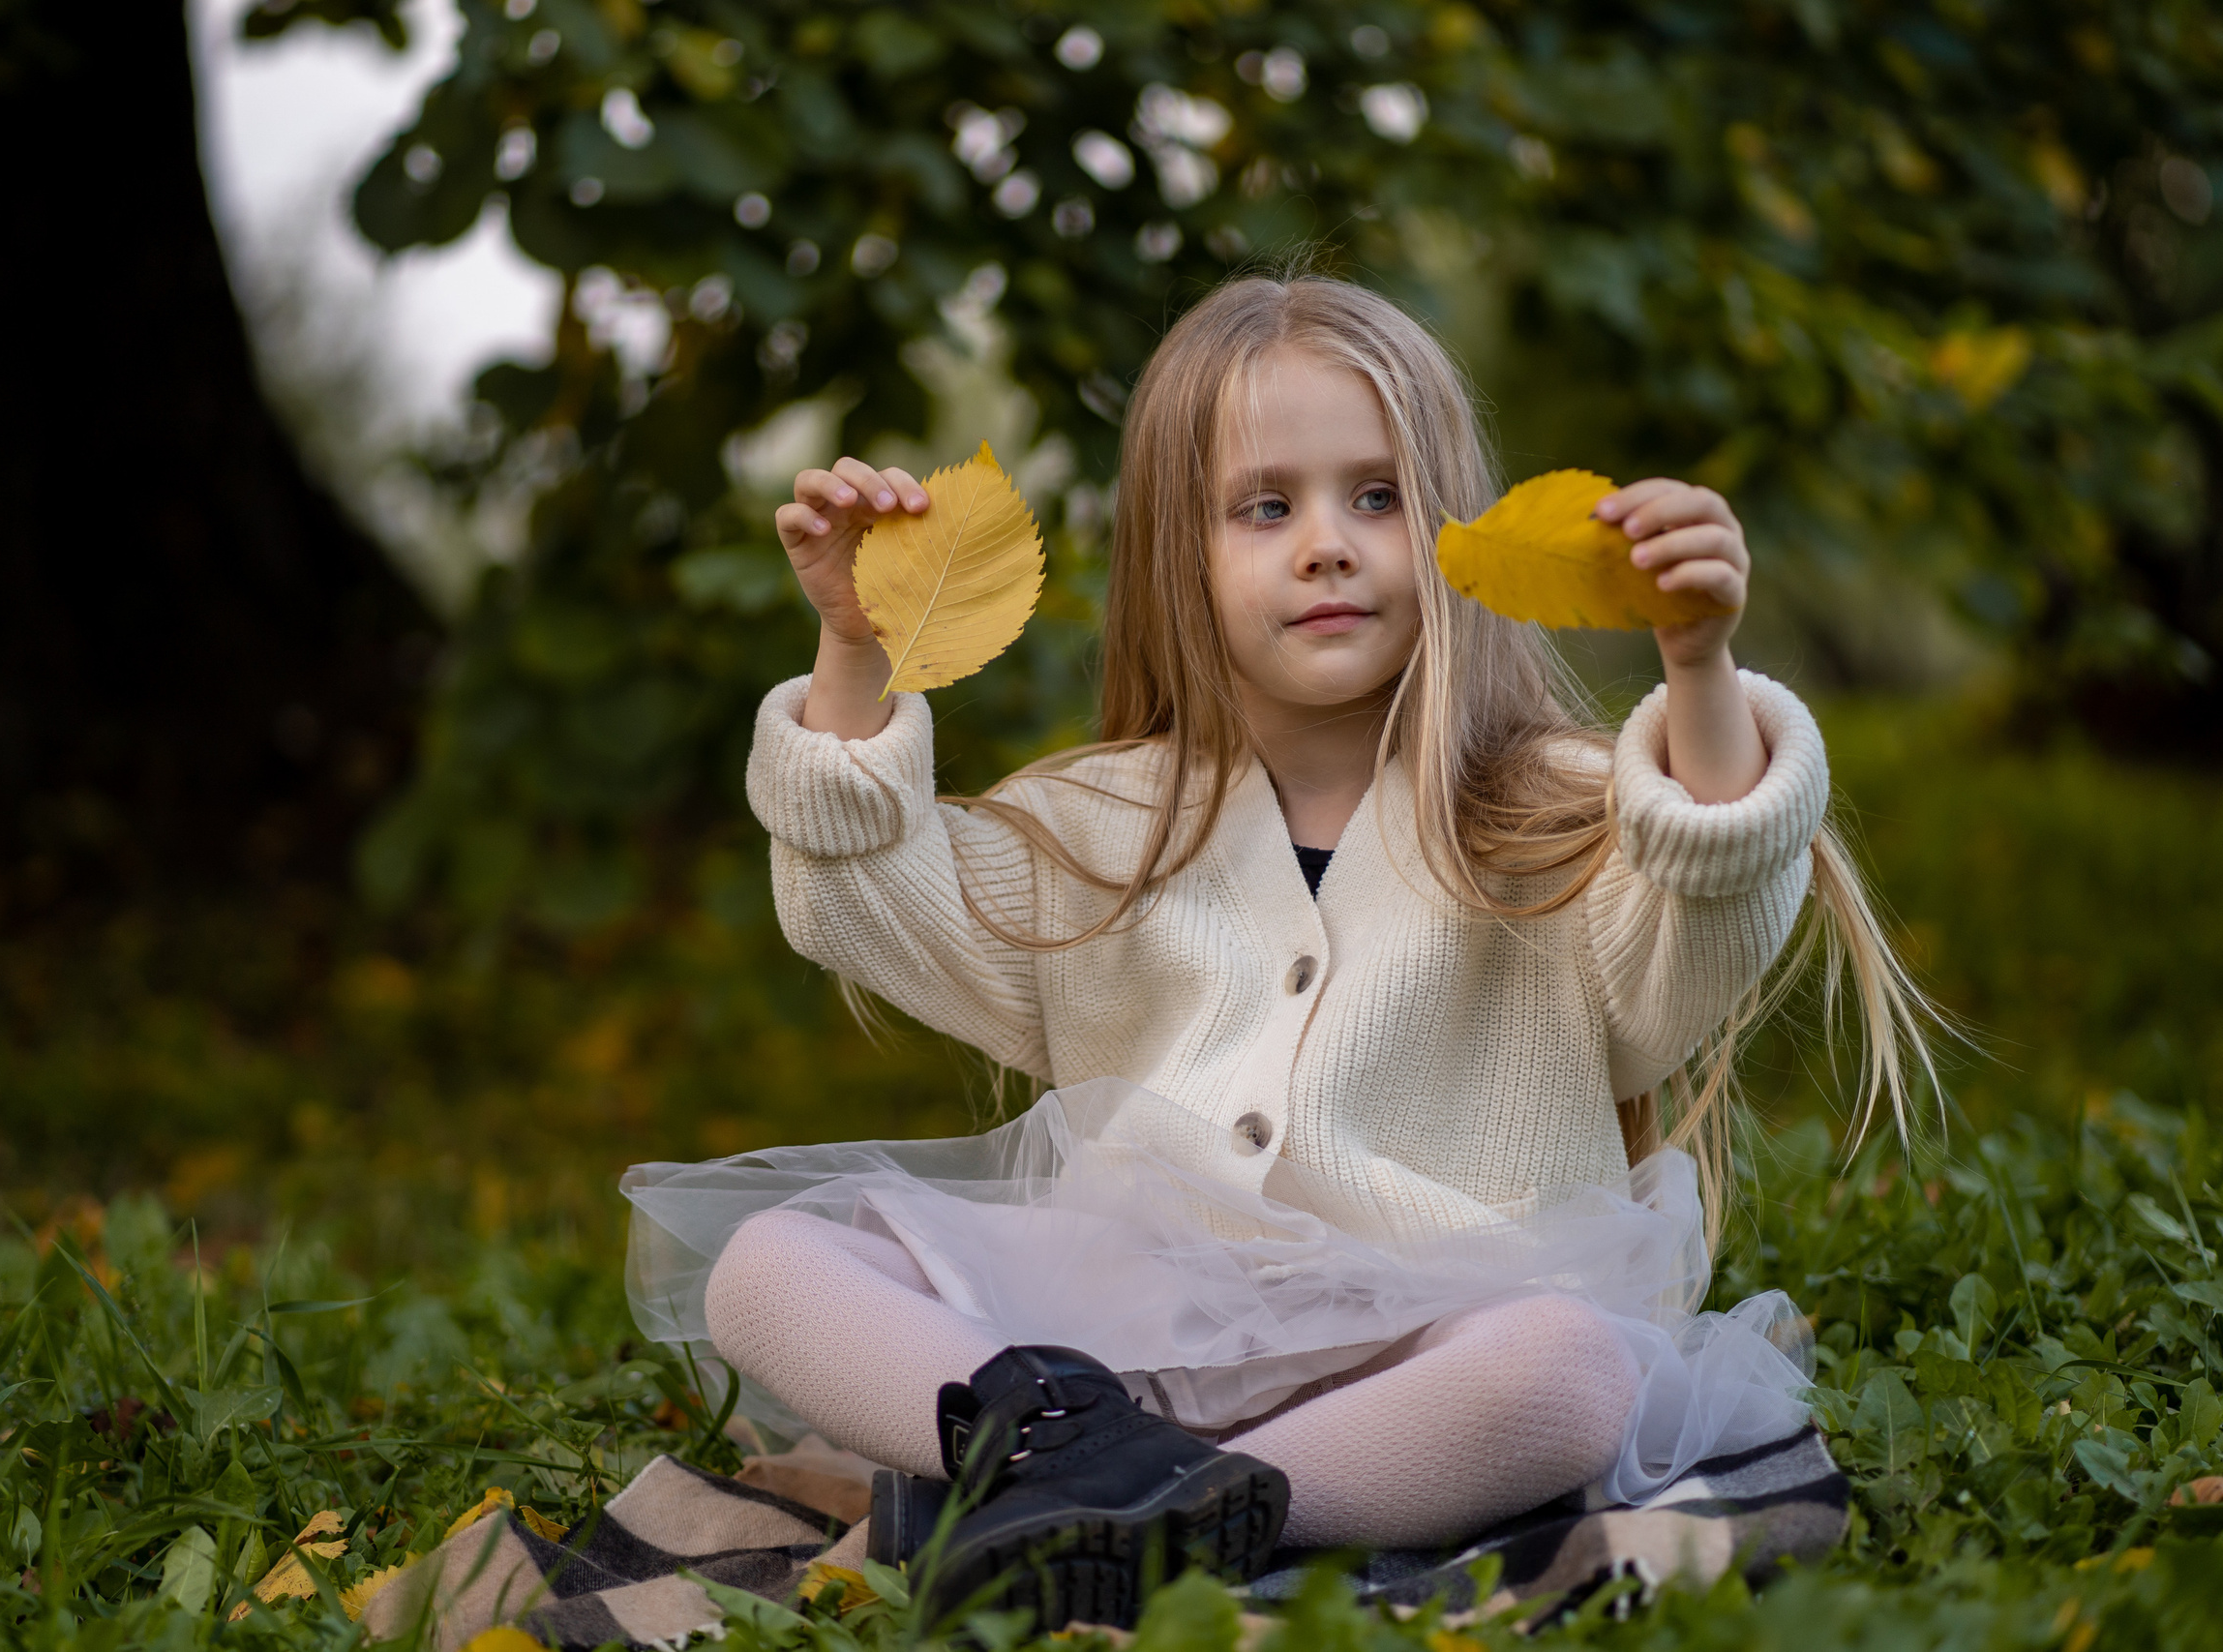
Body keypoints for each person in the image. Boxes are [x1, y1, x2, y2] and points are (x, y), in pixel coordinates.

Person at [620, 272, 1937, 1627]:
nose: (1327, 543)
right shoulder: (1102, 825)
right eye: (1267, 505)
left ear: (1454, 531)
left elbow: (1695, 938)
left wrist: (1700, 667)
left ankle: (1187, 1502)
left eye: (1378, 497)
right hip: (1120, 1351)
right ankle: (1088, 1468)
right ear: (1178, 555)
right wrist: (858, 647)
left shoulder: (1559, 811)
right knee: (770, 1269)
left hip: (1423, 1358)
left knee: (1572, 1375)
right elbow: (859, 903)